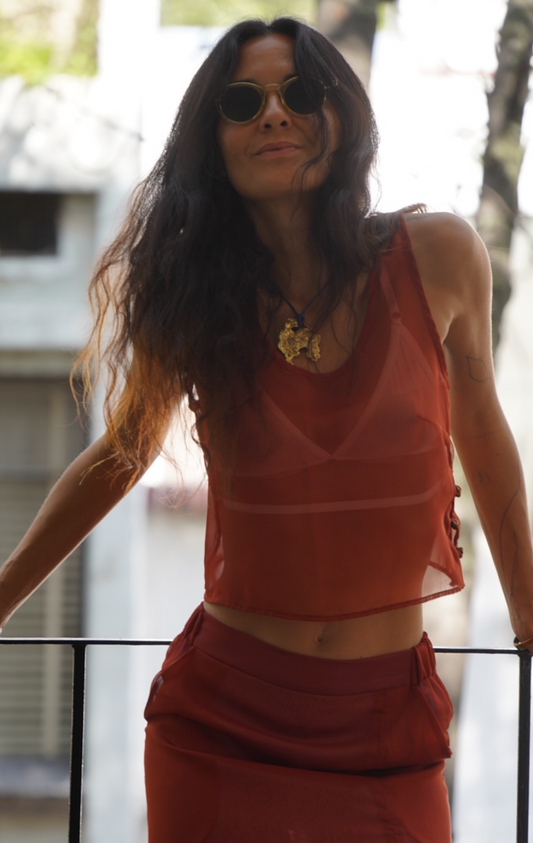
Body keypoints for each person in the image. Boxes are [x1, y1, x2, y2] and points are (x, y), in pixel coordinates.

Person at [1, 15, 533, 843]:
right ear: (211, 142)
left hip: (384, 731)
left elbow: (486, 442)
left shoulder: (437, 256)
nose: (275, 113)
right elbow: (123, 453)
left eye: (300, 91)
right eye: (242, 101)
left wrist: (530, 615)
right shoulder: (194, 296)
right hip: (224, 724)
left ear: (341, 115)